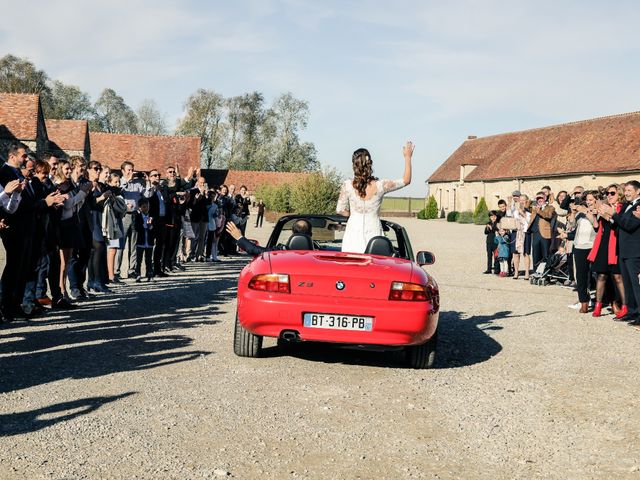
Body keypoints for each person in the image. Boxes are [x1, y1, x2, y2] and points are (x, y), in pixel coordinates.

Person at [337, 142, 413, 253]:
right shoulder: (380, 185)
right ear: (370, 164)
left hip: (352, 234)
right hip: (374, 233)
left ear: (354, 165)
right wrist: (408, 157)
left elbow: (340, 210)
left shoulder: (347, 185)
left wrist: (353, 215)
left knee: (351, 265)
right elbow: (406, 180)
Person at [599, 180, 640, 324]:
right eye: (626, 190)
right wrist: (609, 217)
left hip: (634, 251)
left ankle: (639, 313)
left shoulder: (638, 206)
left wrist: (613, 214)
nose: (627, 193)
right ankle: (631, 311)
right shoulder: (627, 207)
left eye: (630, 190)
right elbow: (619, 225)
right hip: (623, 250)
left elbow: (629, 225)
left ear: (637, 191)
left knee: (635, 284)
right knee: (627, 283)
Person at [587, 184, 626, 318]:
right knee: (601, 275)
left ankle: (622, 305)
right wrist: (595, 218)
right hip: (604, 244)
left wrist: (610, 215)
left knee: (617, 276)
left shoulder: (622, 209)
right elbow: (598, 229)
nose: (609, 195)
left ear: (619, 195)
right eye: (608, 193)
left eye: (612, 193)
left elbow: (621, 226)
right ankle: (598, 305)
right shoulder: (604, 207)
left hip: (617, 244)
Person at [567, 192, 598, 313]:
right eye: (587, 200)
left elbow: (596, 226)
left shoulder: (597, 211)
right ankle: (583, 302)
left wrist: (585, 211)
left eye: (591, 200)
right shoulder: (580, 213)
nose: (589, 202)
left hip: (592, 246)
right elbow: (572, 225)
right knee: (580, 276)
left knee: (593, 275)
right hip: (579, 246)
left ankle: (595, 299)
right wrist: (574, 213)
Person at [226, 219, 312, 256]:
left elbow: (255, 250)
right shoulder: (322, 253)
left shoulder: (279, 252)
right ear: (310, 234)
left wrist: (239, 237)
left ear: (292, 233)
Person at [527, 192, 556, 267]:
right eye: (538, 198)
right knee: (535, 255)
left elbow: (548, 216)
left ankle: (545, 274)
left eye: (541, 198)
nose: (539, 200)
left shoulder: (550, 207)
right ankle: (536, 273)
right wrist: (531, 200)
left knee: (545, 255)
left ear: (545, 198)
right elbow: (525, 207)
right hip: (535, 234)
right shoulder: (534, 207)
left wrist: (539, 211)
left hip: (545, 234)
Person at [510, 194, 532, 280]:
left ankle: (527, 273)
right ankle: (516, 272)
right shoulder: (515, 211)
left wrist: (522, 213)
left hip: (526, 233)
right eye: (521, 200)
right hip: (516, 233)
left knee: (526, 253)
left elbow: (530, 222)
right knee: (515, 253)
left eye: (524, 200)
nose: (522, 202)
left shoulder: (530, 211)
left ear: (527, 201)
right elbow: (510, 220)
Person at [133, 198, 154, 282]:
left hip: (149, 242)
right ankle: (137, 274)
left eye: (147, 206)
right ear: (140, 208)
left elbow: (154, 228)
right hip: (140, 242)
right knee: (139, 259)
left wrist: (151, 227)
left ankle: (149, 274)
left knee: (149, 259)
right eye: (144, 207)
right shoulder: (137, 217)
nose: (146, 208)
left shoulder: (151, 217)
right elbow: (136, 227)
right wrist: (145, 226)